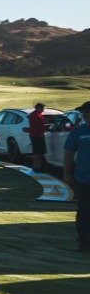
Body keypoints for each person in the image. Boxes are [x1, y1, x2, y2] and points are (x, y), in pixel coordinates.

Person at [63, 101, 90, 252]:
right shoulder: (78, 132)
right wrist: (67, 174)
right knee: (84, 212)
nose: (85, 115)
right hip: (84, 179)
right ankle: (84, 242)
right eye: (83, 112)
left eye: (88, 112)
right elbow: (68, 153)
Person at [27, 103, 48, 171]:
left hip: (37, 134)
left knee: (39, 151)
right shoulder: (35, 115)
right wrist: (53, 119)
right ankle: (37, 166)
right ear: (38, 108)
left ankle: (38, 166)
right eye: (42, 108)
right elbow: (43, 121)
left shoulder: (37, 114)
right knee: (38, 152)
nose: (43, 110)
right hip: (36, 135)